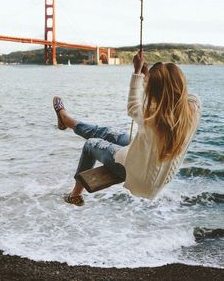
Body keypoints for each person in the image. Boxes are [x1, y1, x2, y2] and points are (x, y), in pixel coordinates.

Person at [53, 51, 202, 206]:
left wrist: (138, 73)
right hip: (155, 174)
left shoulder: (151, 118)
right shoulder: (194, 110)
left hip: (139, 177)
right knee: (109, 133)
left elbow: (132, 106)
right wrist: (151, 81)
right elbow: (172, 96)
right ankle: (68, 122)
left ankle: (75, 195)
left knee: (91, 144)